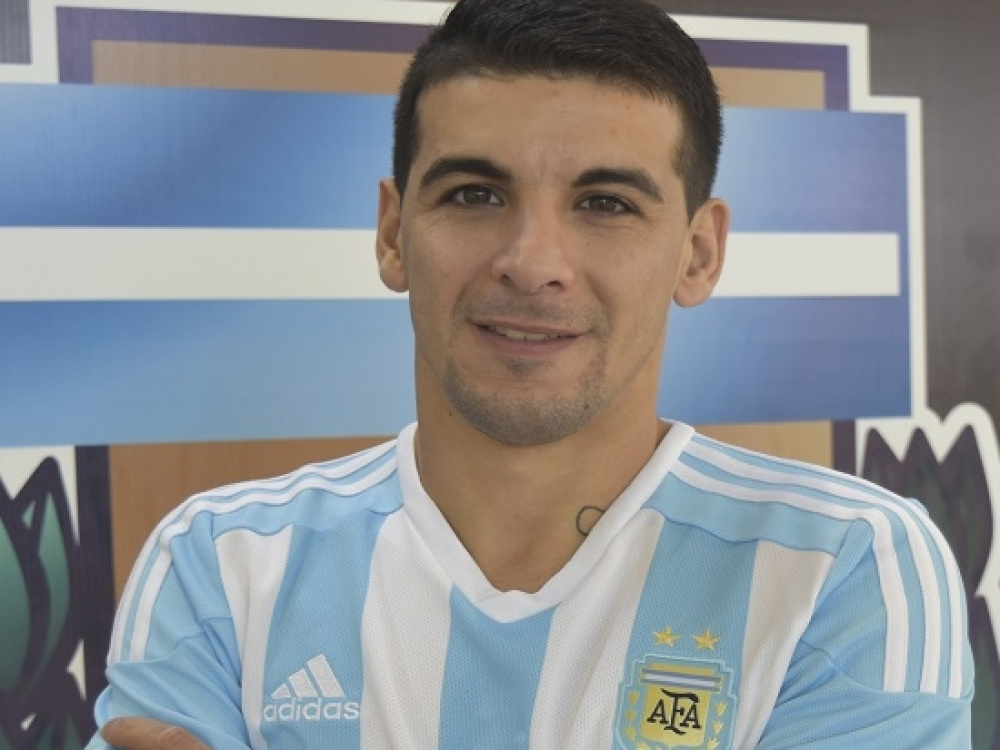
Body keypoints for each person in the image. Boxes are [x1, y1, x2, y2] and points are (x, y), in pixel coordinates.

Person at [90, 0, 974, 747]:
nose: (532, 262)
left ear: (698, 254)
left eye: (605, 203)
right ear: (393, 234)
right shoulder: (222, 564)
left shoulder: (843, 565)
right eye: (474, 194)